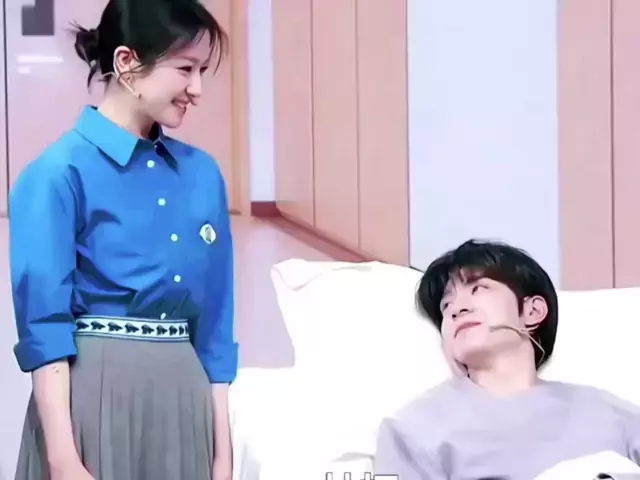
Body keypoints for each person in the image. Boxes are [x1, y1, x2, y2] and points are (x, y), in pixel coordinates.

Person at [9, 1, 237, 479]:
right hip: (93, 411)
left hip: (184, 410)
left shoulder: (203, 176)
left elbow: (215, 330)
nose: (197, 89)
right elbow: (45, 329)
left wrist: (223, 457)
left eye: (202, 71)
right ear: (127, 63)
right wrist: (63, 459)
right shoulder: (56, 175)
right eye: (185, 69)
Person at [374, 239, 640, 480]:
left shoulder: (609, 414)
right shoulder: (413, 430)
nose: (457, 309)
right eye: (446, 306)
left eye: (478, 289)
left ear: (533, 311)